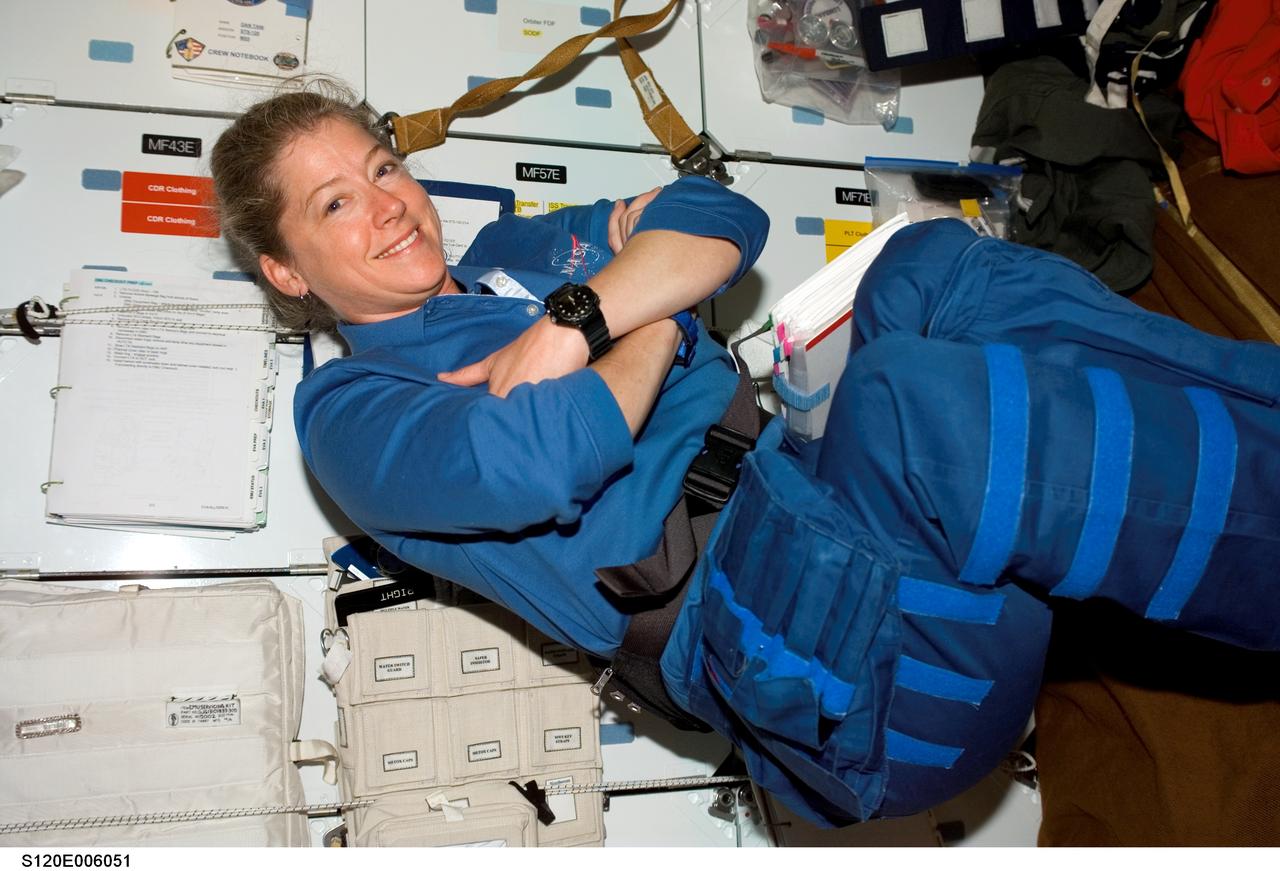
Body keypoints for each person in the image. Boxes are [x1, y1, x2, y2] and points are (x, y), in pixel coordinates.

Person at [212, 87, 1280, 827]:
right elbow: (552, 453)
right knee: (913, 406)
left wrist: (580, 319)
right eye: (334, 204)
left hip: (812, 494)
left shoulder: (513, 256)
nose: (388, 205)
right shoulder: (348, 411)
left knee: (926, 265)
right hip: (822, 676)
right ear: (286, 270)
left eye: (383, 166)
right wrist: (643, 314)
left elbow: (719, 216)